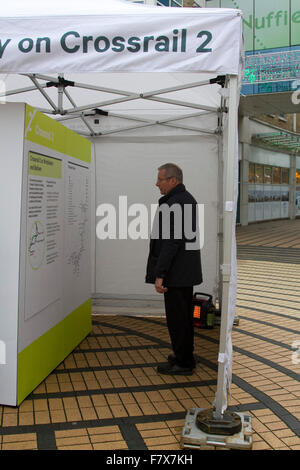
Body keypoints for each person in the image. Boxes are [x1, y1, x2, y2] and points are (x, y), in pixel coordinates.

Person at [146, 163, 202, 375]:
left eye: (160, 179)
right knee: (183, 318)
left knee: (178, 319)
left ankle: (184, 363)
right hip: (183, 272)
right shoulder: (184, 199)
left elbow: (171, 242)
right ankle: (183, 355)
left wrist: (160, 274)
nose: (157, 183)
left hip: (177, 273)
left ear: (173, 180)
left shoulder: (177, 203)